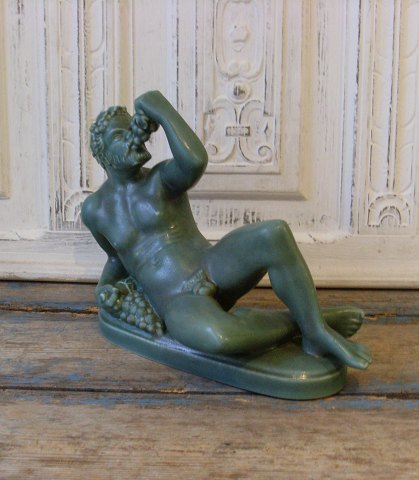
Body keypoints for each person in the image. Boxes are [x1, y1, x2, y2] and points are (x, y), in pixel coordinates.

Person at [82, 90, 371, 369]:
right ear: (103, 153)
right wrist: (104, 289)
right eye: (119, 136)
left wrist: (161, 109)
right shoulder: (95, 210)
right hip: (178, 302)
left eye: (132, 129)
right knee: (221, 338)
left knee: (274, 234)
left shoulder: (160, 180)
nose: (133, 137)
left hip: (210, 267)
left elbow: (194, 161)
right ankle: (298, 323)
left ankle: (316, 330)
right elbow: (117, 259)